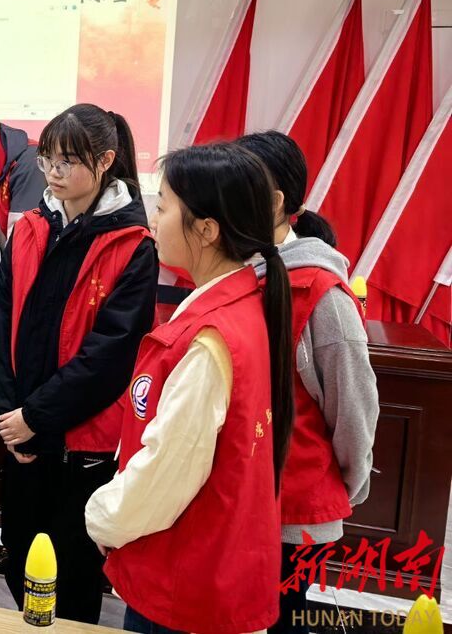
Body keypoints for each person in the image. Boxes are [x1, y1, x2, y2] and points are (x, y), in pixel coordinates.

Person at [85, 142, 294, 634]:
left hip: (185, 580)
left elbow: (169, 470)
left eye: (162, 207)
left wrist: (106, 518)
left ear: (206, 229)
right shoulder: (238, 304)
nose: (152, 221)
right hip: (207, 567)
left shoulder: (211, 336)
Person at [0, 103, 158, 624]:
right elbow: (2, 323)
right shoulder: (31, 227)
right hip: (21, 432)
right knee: (20, 555)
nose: (54, 173)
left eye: (68, 162)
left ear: (105, 160)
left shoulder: (132, 243)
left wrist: (35, 418)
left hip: (81, 442)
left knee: (74, 571)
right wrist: (10, 417)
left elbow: (110, 355)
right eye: (47, 161)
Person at [235, 131, 378, 634]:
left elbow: (354, 409)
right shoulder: (232, 273)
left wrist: (341, 485)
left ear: (275, 202)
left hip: (293, 508)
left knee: (283, 620)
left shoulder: (323, 294)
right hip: (235, 495)